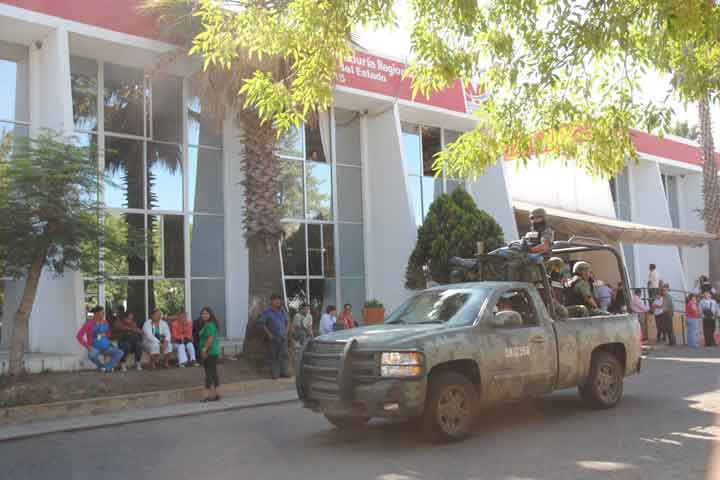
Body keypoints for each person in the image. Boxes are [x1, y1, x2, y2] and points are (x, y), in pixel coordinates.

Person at [76, 306, 123, 373]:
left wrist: (107, 338)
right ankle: (101, 366)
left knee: (120, 353)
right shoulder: (89, 323)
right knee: (91, 355)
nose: (103, 314)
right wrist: (88, 347)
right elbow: (79, 336)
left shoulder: (105, 322)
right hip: (95, 347)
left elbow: (108, 335)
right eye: (102, 313)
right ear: (96, 314)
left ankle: (106, 367)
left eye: (103, 313)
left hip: (106, 347)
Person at [259, 294, 290, 379]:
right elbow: (262, 324)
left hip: (283, 337)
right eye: (275, 300)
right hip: (273, 337)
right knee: (274, 356)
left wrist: (286, 332)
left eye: (279, 300)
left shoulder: (283, 311)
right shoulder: (267, 312)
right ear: (271, 301)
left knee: (284, 355)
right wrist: (269, 334)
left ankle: (284, 372)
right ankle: (275, 373)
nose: (278, 301)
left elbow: (287, 322)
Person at [198, 307, 221, 401]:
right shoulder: (207, 324)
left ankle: (206, 395)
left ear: (210, 314)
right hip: (212, 352)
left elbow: (210, 338)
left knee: (208, 373)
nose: (204, 315)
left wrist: (204, 350)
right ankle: (217, 394)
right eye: (203, 313)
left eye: (206, 313)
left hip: (210, 352)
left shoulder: (210, 325)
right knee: (213, 373)